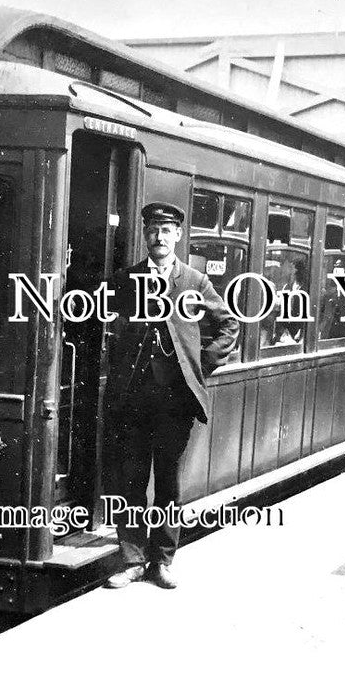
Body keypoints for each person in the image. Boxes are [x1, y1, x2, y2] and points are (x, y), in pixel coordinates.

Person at [103, 202, 239, 589]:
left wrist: (202, 363)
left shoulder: (195, 281)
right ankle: (131, 560)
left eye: (165, 231)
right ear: (145, 235)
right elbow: (108, 320)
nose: (158, 238)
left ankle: (161, 561)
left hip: (174, 402)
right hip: (133, 397)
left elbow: (229, 323)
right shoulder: (126, 279)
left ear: (178, 235)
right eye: (152, 231)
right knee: (130, 481)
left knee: (167, 483)